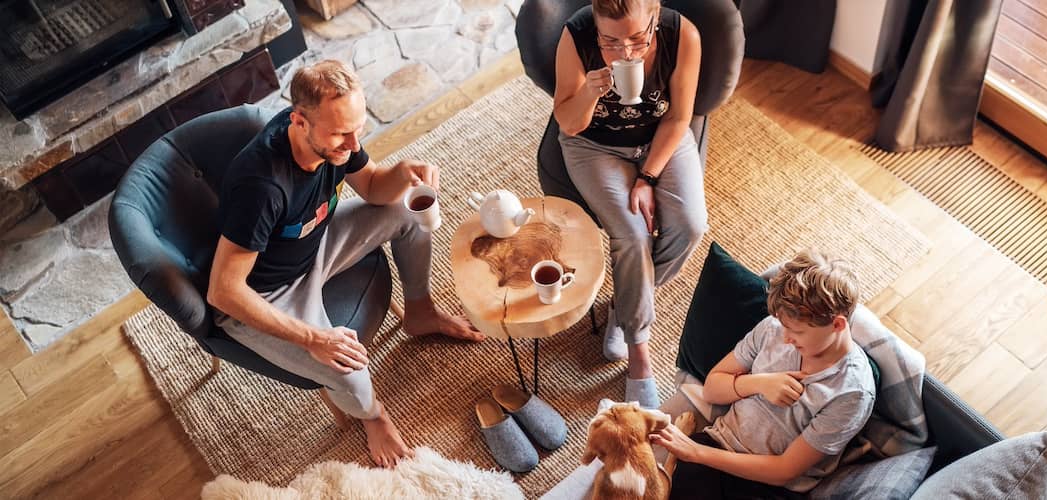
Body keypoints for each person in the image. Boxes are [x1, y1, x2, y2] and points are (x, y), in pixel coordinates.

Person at [207, 60, 485, 468]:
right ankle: (373, 416)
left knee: (407, 212)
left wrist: (403, 173)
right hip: (266, 291)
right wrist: (313, 339)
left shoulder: (337, 136)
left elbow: (373, 187)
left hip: (315, 242)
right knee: (346, 368)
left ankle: (420, 312)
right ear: (299, 122)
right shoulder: (262, 186)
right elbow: (224, 291)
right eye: (341, 134)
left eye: (358, 129)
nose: (354, 145)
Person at [553, 0, 707, 409]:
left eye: (638, 39)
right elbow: (568, 123)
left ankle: (625, 303)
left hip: (661, 137)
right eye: (611, 41)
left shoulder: (682, 35)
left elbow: (679, 117)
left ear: (655, 14)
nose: (627, 53)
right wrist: (589, 89)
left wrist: (648, 177)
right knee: (633, 235)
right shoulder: (577, 36)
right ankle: (640, 354)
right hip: (593, 146)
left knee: (691, 223)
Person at [650, 250, 876, 497]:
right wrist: (759, 383)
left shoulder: (852, 392)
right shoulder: (774, 329)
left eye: (798, 332)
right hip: (718, 447)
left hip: (766, 487)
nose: (787, 338)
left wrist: (695, 452)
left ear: (837, 325)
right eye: (785, 326)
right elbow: (712, 389)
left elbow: (784, 470)